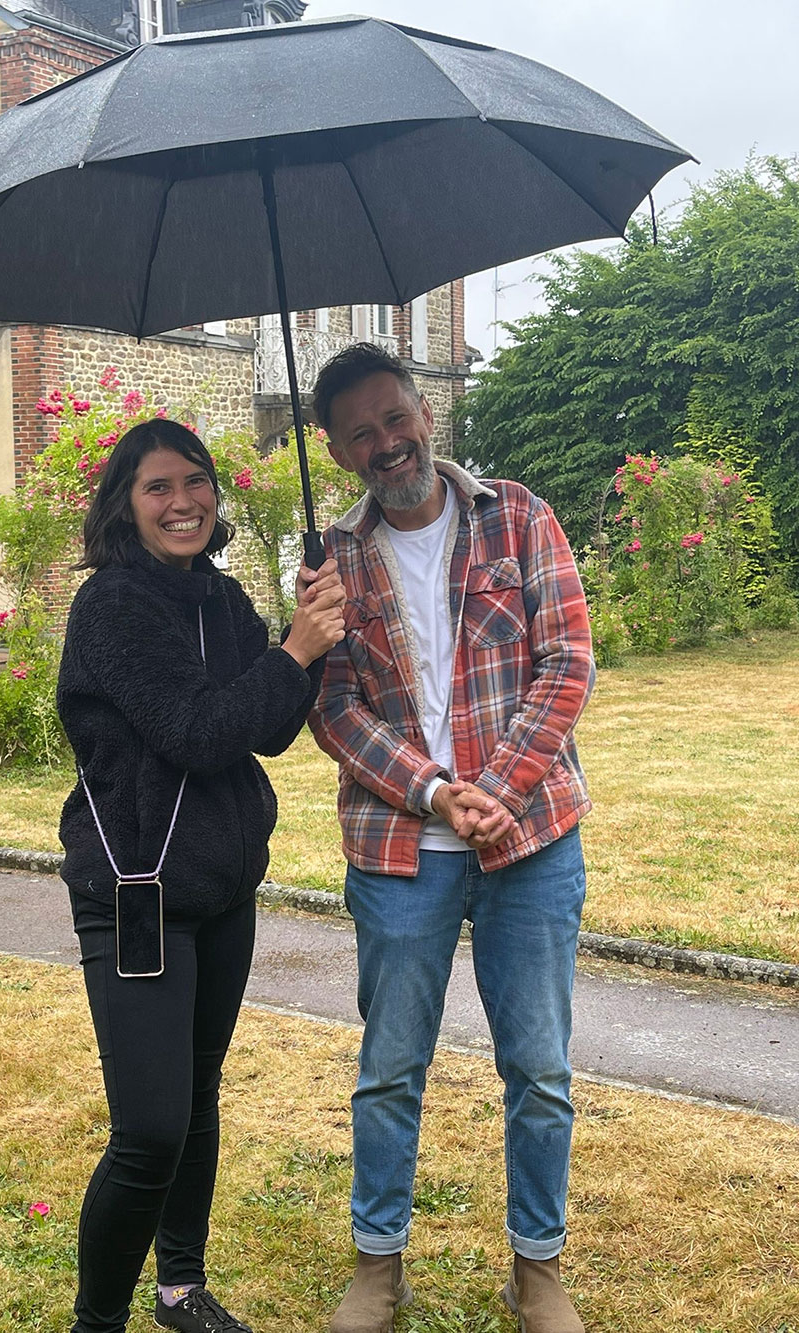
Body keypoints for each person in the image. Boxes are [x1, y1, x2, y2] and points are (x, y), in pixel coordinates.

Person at [307, 344, 595, 1333]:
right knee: (389, 1067)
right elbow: (335, 711)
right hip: (400, 852)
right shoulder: (331, 561)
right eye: (362, 433)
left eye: (396, 418)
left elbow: (568, 661)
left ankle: (537, 1267)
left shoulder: (518, 516)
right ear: (336, 451)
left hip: (532, 841)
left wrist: (498, 790)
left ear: (424, 412)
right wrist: (434, 792)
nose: (387, 443)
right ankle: (377, 1265)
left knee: (540, 1068)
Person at [56, 417, 345, 1333]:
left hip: (222, 888)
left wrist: (304, 639)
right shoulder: (112, 606)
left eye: (195, 481)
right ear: (126, 503)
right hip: (137, 894)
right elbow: (194, 731)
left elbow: (268, 728)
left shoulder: (221, 599)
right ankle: (97, 1322)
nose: (182, 502)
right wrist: (293, 652)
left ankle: (180, 1287)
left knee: (197, 1096)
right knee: (149, 1130)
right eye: (158, 486)